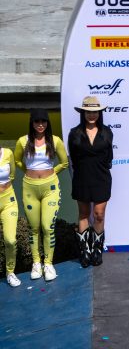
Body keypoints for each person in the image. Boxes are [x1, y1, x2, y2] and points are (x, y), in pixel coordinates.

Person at [14, 108, 68, 282]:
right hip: (29, 188)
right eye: (37, 121)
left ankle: (48, 263)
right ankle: (36, 263)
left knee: (47, 226)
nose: (40, 125)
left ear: (47, 123)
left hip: (50, 188)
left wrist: (51, 173)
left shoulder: (55, 140)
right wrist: (28, 171)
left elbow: (64, 163)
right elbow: (17, 160)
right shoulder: (22, 141)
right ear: (32, 123)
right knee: (34, 228)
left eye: (43, 121)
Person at [67, 96, 113, 268]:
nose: (91, 115)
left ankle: (97, 251)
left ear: (99, 113)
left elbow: (109, 157)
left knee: (99, 214)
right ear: (83, 113)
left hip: (101, 178)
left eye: (95, 112)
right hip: (82, 178)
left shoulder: (107, 132)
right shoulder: (74, 133)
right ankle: (85, 252)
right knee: (83, 214)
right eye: (88, 112)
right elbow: (74, 158)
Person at [1, 146, 20, 287]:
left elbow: (12, 175)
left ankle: (10, 272)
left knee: (10, 240)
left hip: (8, 201)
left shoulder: (7, 153)